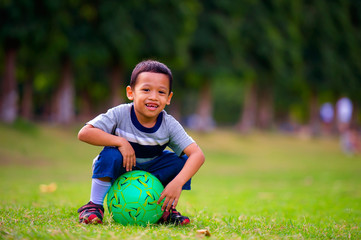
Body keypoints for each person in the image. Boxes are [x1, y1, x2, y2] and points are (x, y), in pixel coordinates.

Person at [77, 60, 205, 225]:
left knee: (180, 161)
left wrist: (178, 183)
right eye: (146, 90)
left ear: (169, 98)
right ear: (131, 93)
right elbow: (84, 133)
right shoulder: (119, 114)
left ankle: (164, 210)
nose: (153, 97)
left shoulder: (169, 124)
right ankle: (94, 206)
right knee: (111, 154)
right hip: (121, 170)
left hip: (151, 172)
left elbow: (197, 155)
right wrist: (120, 142)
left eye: (161, 92)